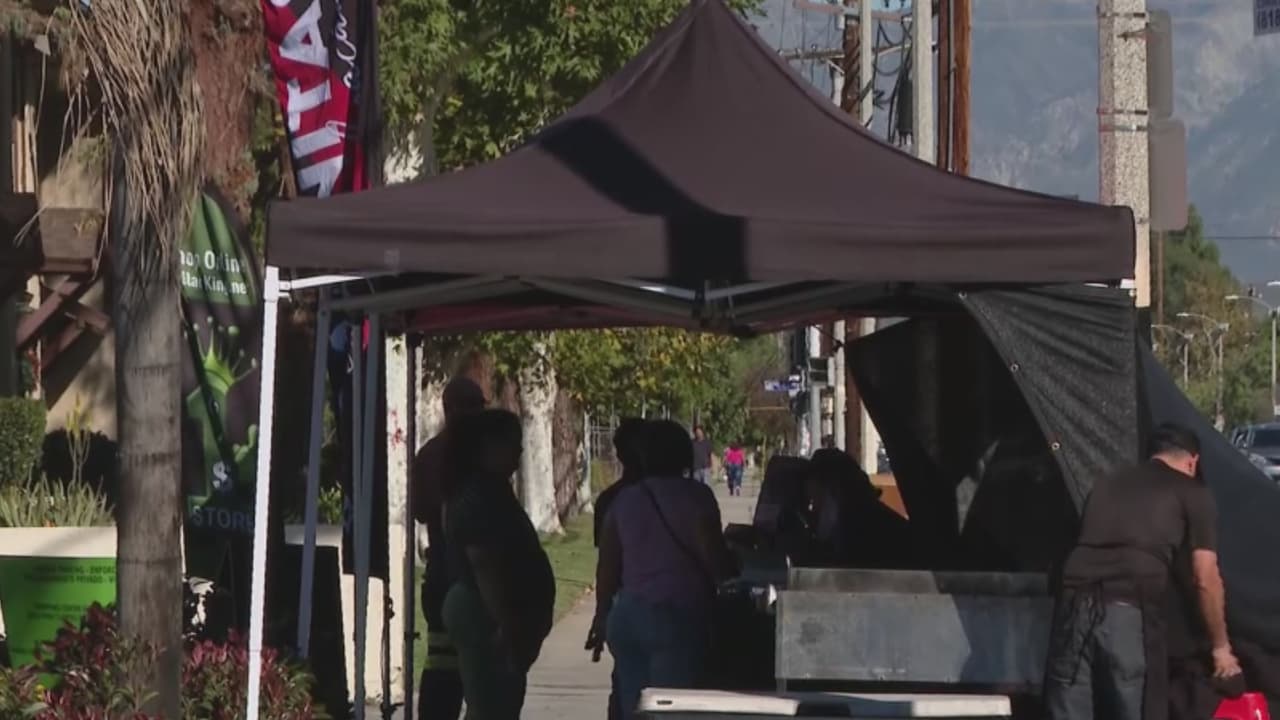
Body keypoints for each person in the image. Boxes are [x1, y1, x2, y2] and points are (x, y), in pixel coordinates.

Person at [1044, 424, 1241, 720]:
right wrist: (1220, 648)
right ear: (1193, 461)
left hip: (1071, 608)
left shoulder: (1106, 483)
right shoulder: (1192, 492)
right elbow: (1205, 577)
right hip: (1127, 612)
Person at [593, 421, 736, 719]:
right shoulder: (696, 497)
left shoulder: (623, 500)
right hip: (676, 616)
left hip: (628, 617)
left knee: (633, 707)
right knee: (673, 709)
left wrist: (602, 614)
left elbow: (607, 567)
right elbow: (714, 559)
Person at [441, 409, 556, 720]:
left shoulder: (493, 489)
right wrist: (504, 619)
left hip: (495, 611)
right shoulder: (477, 494)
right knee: (492, 706)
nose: (519, 451)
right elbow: (483, 562)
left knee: (498, 704)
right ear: (487, 446)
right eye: (511, 443)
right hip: (485, 611)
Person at [411, 377, 484, 720]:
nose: (477, 413)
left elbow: (419, 511)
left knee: (444, 665)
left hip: (442, 572)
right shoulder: (480, 455)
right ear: (452, 408)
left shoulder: (428, 454)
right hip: (466, 574)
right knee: (467, 669)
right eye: (472, 406)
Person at [587, 417, 647, 720]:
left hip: (623, 603)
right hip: (654, 603)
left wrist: (602, 614)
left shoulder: (609, 500)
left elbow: (606, 565)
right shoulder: (685, 496)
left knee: (625, 684)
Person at [801, 449, 918, 569]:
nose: (813, 513)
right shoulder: (869, 519)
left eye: (815, 503)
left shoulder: (858, 533)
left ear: (834, 492)